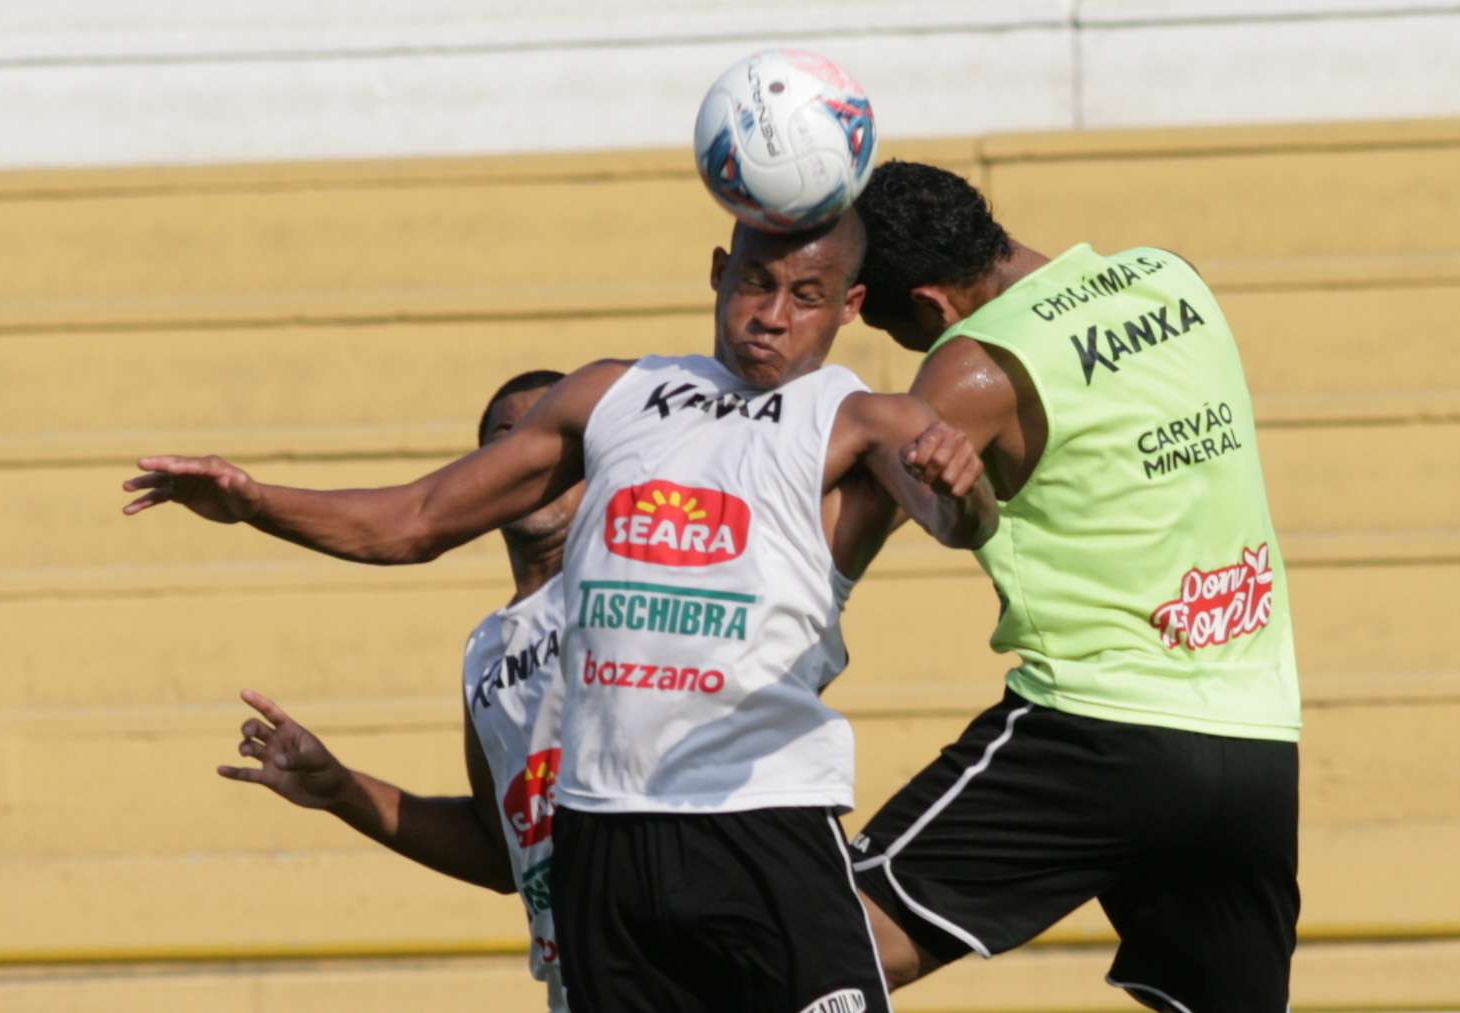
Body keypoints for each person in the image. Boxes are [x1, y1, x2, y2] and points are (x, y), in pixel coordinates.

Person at [122, 210, 999, 1013]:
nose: (771, 315)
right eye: (754, 285)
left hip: (761, 817)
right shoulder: (613, 395)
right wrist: (256, 501)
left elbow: (955, 521)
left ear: (848, 305)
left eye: (805, 296)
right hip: (603, 838)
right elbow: (416, 519)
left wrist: (962, 491)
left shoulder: (860, 416)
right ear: (717, 274)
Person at [846, 160, 1301, 1013]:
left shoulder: (969, 372)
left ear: (932, 307)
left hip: (1101, 729)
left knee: (830, 937)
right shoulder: (1173, 277)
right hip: (1257, 739)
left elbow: (856, 531)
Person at [214, 370, 582, 1012]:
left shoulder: (637, 588)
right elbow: (502, 854)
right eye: (507, 440)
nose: (528, 457)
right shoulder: (486, 650)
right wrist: (343, 791)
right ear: (480, 477)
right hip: (587, 979)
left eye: (555, 443)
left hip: (701, 953)